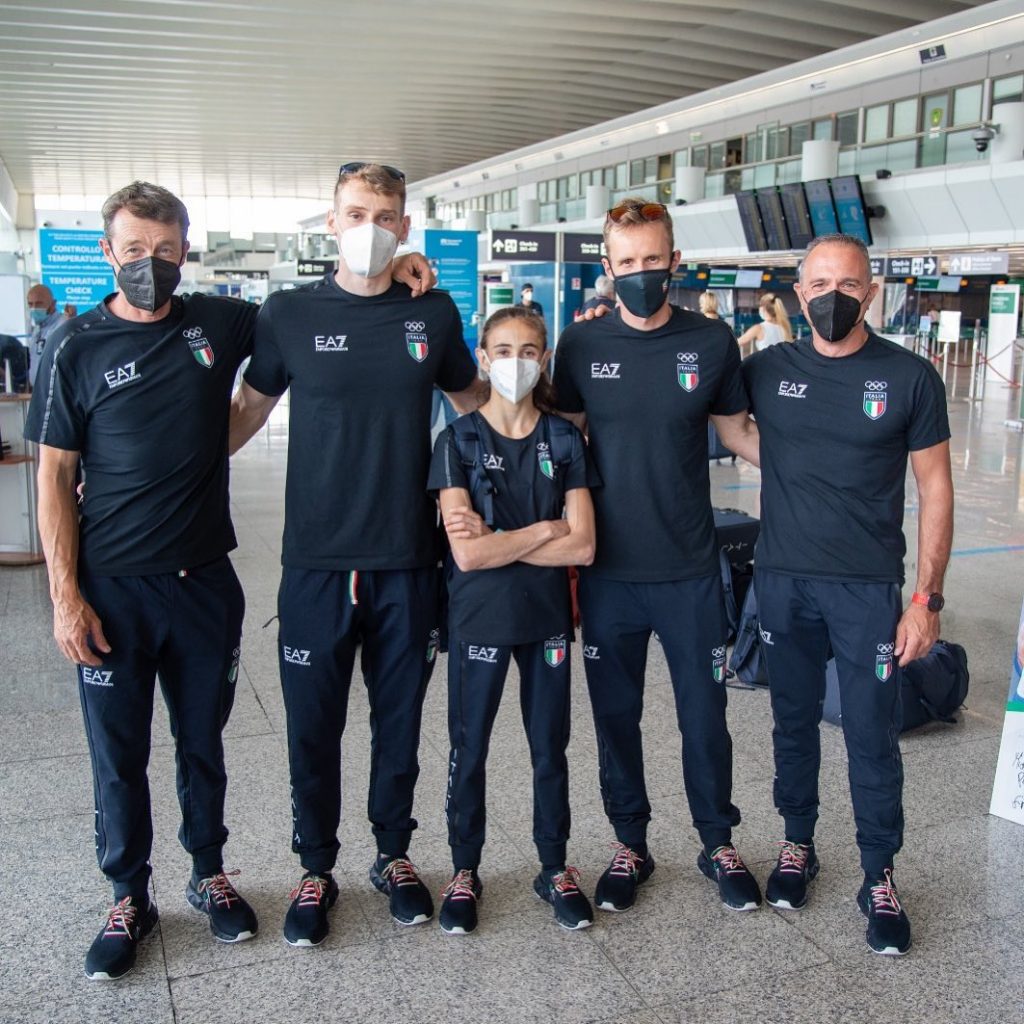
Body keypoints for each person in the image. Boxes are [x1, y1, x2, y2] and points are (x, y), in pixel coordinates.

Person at [229, 162, 482, 947]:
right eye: (356, 212)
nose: (371, 226)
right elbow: (247, 410)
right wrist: (167, 466)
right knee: (313, 727)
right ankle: (315, 866)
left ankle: (393, 855)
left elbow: (475, 404)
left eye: (385, 214)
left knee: (398, 724)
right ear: (332, 221)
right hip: (315, 562)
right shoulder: (288, 313)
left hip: (407, 559)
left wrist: (554, 425)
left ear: (404, 225)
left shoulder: (432, 311)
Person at [25, 181, 262, 981]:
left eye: (164, 250)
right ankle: (128, 895)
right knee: (118, 754)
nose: (149, 264)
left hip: (203, 586)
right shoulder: (74, 344)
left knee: (202, 742)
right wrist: (65, 597)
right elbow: (54, 477)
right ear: (107, 252)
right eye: (134, 250)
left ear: (185, 249)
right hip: (112, 591)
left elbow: (307, 320)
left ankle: (209, 871)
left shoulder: (219, 323)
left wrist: (397, 268)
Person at [741, 233, 953, 956]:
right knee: (792, 723)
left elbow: (935, 487)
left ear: (872, 291)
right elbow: (718, 417)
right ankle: (797, 842)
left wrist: (925, 600)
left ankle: (878, 874)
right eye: (820, 284)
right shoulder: (768, 369)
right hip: (782, 580)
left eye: (849, 284)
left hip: (866, 589)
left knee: (871, 731)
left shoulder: (909, 377)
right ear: (799, 293)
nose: (833, 296)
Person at [553, 198, 762, 915]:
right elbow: (560, 440)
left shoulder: (710, 340)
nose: (641, 272)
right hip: (607, 571)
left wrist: (818, 470)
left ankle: (717, 840)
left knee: (704, 715)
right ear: (608, 267)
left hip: (690, 569)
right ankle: (630, 843)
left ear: (674, 261)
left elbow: (737, 433)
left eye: (652, 259)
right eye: (627, 262)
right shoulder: (581, 344)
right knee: (616, 718)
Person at [428, 306, 597, 935]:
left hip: (546, 618)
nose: (516, 362)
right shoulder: (458, 441)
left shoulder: (564, 440)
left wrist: (501, 538)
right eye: (503, 350)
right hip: (479, 618)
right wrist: (544, 529)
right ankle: (464, 869)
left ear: (544, 358)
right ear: (482, 357)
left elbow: (585, 546)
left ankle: (553, 866)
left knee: (549, 747)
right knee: (469, 747)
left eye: (529, 351)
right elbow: (467, 556)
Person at [26, 283, 64, 389]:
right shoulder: (37, 329)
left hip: (55, 391)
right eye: (30, 304)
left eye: (39, 304)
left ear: (53, 304)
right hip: (38, 391)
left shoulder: (62, 325)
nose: (34, 308)